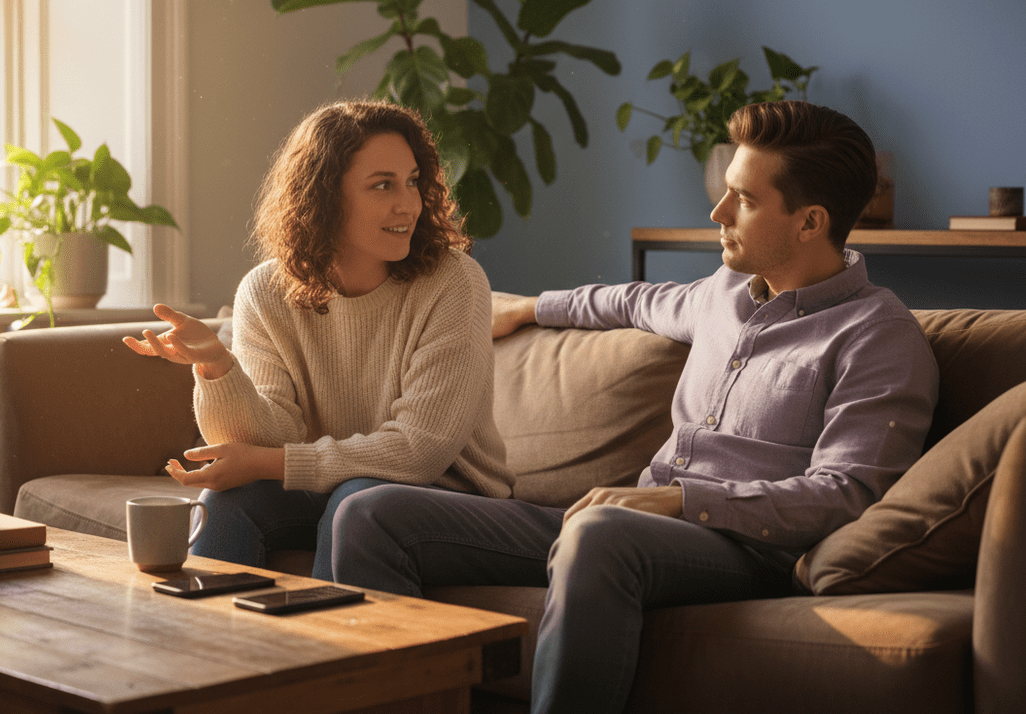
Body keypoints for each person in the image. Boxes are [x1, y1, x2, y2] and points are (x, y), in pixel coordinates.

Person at [328, 100, 939, 714]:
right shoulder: (723, 293)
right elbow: (631, 301)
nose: (718, 213)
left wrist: (681, 500)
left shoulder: (877, 336)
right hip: (630, 522)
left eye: (745, 201)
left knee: (599, 533)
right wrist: (530, 308)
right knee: (369, 513)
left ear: (809, 223)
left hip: (746, 549)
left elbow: (846, 494)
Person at [123, 100, 514, 581]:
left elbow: (420, 449)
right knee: (229, 500)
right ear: (325, 197)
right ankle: (206, 632)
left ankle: (338, 635)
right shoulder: (265, 291)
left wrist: (272, 463)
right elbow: (263, 437)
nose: (408, 204)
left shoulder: (454, 282)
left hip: (453, 500)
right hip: (344, 491)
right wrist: (217, 368)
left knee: (359, 501)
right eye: (383, 185)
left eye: (412, 181)